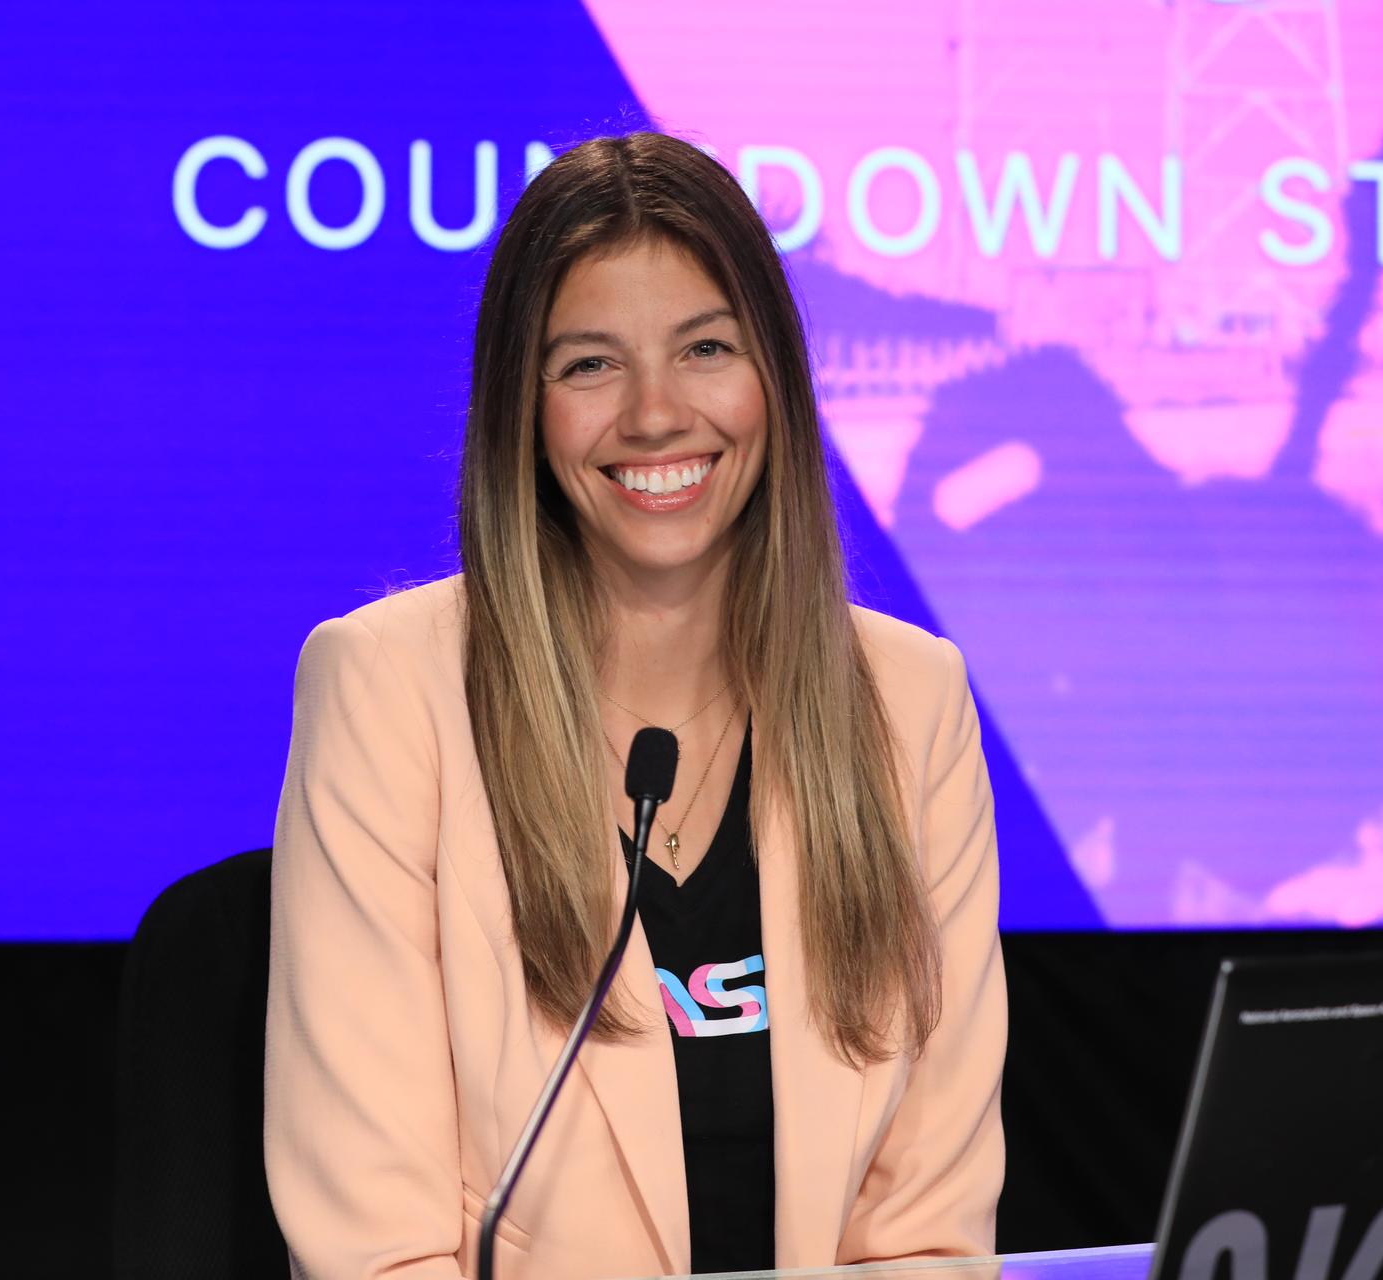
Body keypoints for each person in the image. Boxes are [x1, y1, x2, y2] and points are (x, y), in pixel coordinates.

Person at [262, 131, 1007, 1280]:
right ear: (524, 407)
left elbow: (928, 1235)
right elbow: (379, 1250)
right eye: (590, 365)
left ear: (774, 378)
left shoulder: (911, 703)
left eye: (706, 347)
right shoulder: (389, 692)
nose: (656, 414)